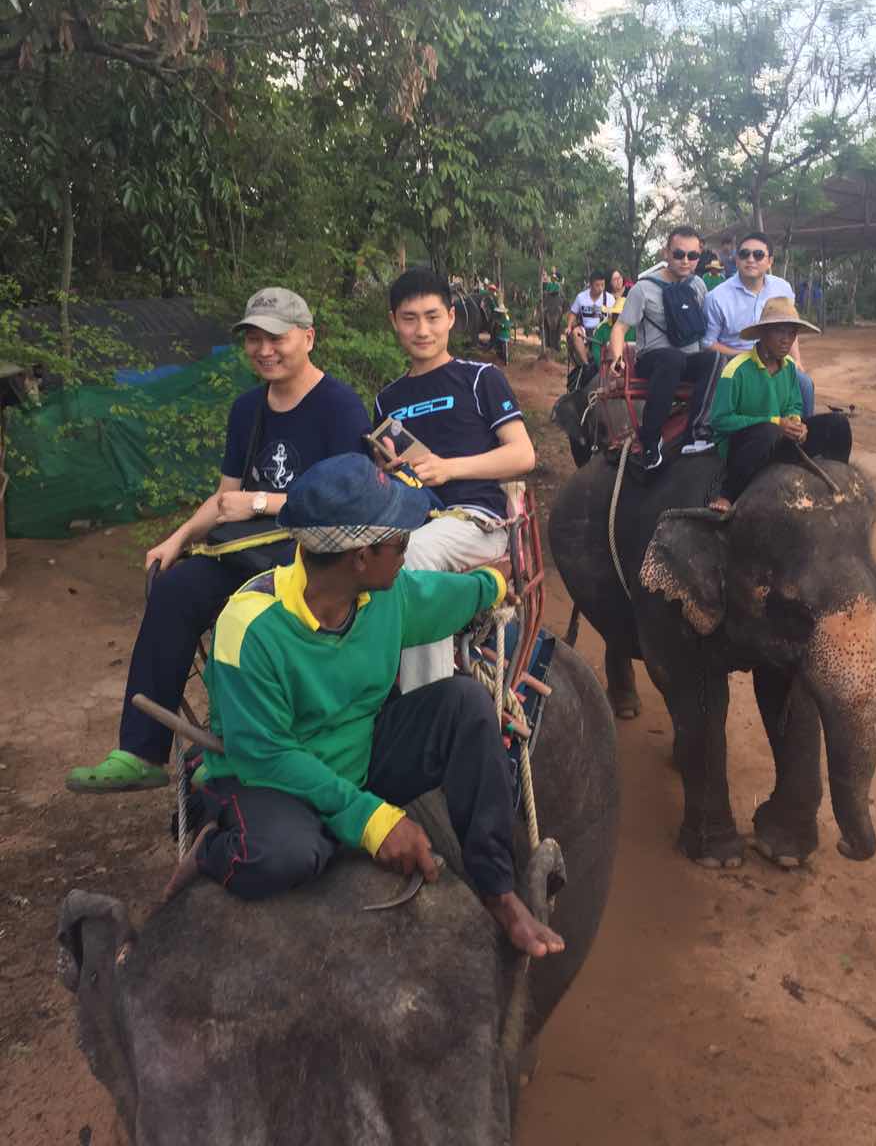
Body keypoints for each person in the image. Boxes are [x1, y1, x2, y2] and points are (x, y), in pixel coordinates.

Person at [162, 456, 564, 957]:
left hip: (360, 754)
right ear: (359, 557)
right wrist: (373, 822)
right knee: (288, 854)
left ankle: (498, 890)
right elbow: (267, 755)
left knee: (464, 703)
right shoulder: (249, 628)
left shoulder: (384, 596)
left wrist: (496, 584)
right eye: (400, 542)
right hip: (269, 776)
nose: (407, 550)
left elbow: (443, 596)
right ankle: (213, 850)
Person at [66, 288, 371, 794]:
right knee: (175, 588)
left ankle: (238, 746)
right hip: (247, 548)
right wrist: (178, 538)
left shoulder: (339, 407)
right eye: (254, 339)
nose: (264, 350)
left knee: (246, 612)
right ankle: (141, 750)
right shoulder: (248, 409)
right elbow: (226, 497)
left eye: (276, 338)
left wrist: (262, 502)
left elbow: (352, 498)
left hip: (312, 555)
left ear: (308, 337)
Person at [374, 268, 535, 693]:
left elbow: (523, 454)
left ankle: (430, 701)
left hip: (475, 521)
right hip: (408, 516)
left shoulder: (480, 379)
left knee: (413, 554)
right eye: (410, 318)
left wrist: (449, 468)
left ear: (450, 318)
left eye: (432, 316)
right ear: (394, 322)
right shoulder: (387, 400)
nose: (422, 330)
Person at [708, 298, 851, 510]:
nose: (786, 340)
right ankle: (728, 495)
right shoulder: (735, 370)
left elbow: (794, 404)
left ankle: (840, 482)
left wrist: (796, 423)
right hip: (745, 446)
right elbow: (720, 421)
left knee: (838, 424)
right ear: (763, 333)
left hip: (779, 440)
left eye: (792, 333)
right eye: (779, 332)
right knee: (767, 431)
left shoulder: (789, 366)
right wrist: (775, 422)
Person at [608, 226, 720, 471]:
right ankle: (650, 440)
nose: (685, 261)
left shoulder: (698, 285)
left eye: (692, 256)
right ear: (666, 253)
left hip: (687, 360)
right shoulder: (642, 289)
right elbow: (620, 328)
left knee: (715, 358)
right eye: (679, 254)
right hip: (654, 361)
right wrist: (617, 358)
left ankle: (697, 431)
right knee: (672, 358)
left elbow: (706, 328)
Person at [702, 231, 815, 418]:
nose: (751, 259)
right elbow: (708, 343)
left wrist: (796, 360)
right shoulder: (717, 297)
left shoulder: (783, 288)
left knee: (804, 384)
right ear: (737, 260)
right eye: (744, 254)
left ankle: (802, 430)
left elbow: (790, 328)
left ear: (770, 261)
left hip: (776, 359)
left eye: (758, 255)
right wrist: (746, 356)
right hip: (736, 362)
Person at [565, 269, 614, 367]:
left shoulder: (609, 298)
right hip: (585, 330)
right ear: (591, 285)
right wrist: (569, 326)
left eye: (602, 285)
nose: (600, 288)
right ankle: (586, 364)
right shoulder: (581, 297)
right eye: (597, 285)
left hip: (602, 330)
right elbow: (573, 313)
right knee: (575, 333)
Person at [590, 296, 634, 368]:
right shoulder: (602, 328)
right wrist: (602, 366)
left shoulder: (635, 329)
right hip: (606, 367)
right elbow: (595, 349)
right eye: (616, 314)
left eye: (621, 315)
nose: (618, 318)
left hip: (632, 368)